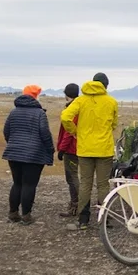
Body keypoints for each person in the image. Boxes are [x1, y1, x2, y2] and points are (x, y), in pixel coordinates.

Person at [60, 72, 118, 231]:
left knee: (85, 183)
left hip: (85, 148)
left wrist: (75, 132)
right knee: (103, 184)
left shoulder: (80, 100)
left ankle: (83, 220)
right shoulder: (111, 102)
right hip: (104, 149)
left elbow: (65, 117)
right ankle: (105, 220)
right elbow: (114, 124)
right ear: (106, 85)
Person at [2, 84, 55, 225]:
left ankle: (13, 213)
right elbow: (45, 134)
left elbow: (6, 131)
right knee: (29, 185)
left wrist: (13, 143)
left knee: (17, 183)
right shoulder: (39, 114)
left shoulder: (13, 112)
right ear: (36, 97)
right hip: (34, 155)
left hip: (13, 153)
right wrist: (50, 149)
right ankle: (26, 215)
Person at [56, 83, 80, 217]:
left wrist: (62, 149)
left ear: (66, 94)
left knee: (72, 177)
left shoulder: (73, 109)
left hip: (72, 149)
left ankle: (77, 205)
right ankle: (77, 204)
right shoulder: (78, 106)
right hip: (76, 147)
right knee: (73, 177)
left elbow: (69, 132)